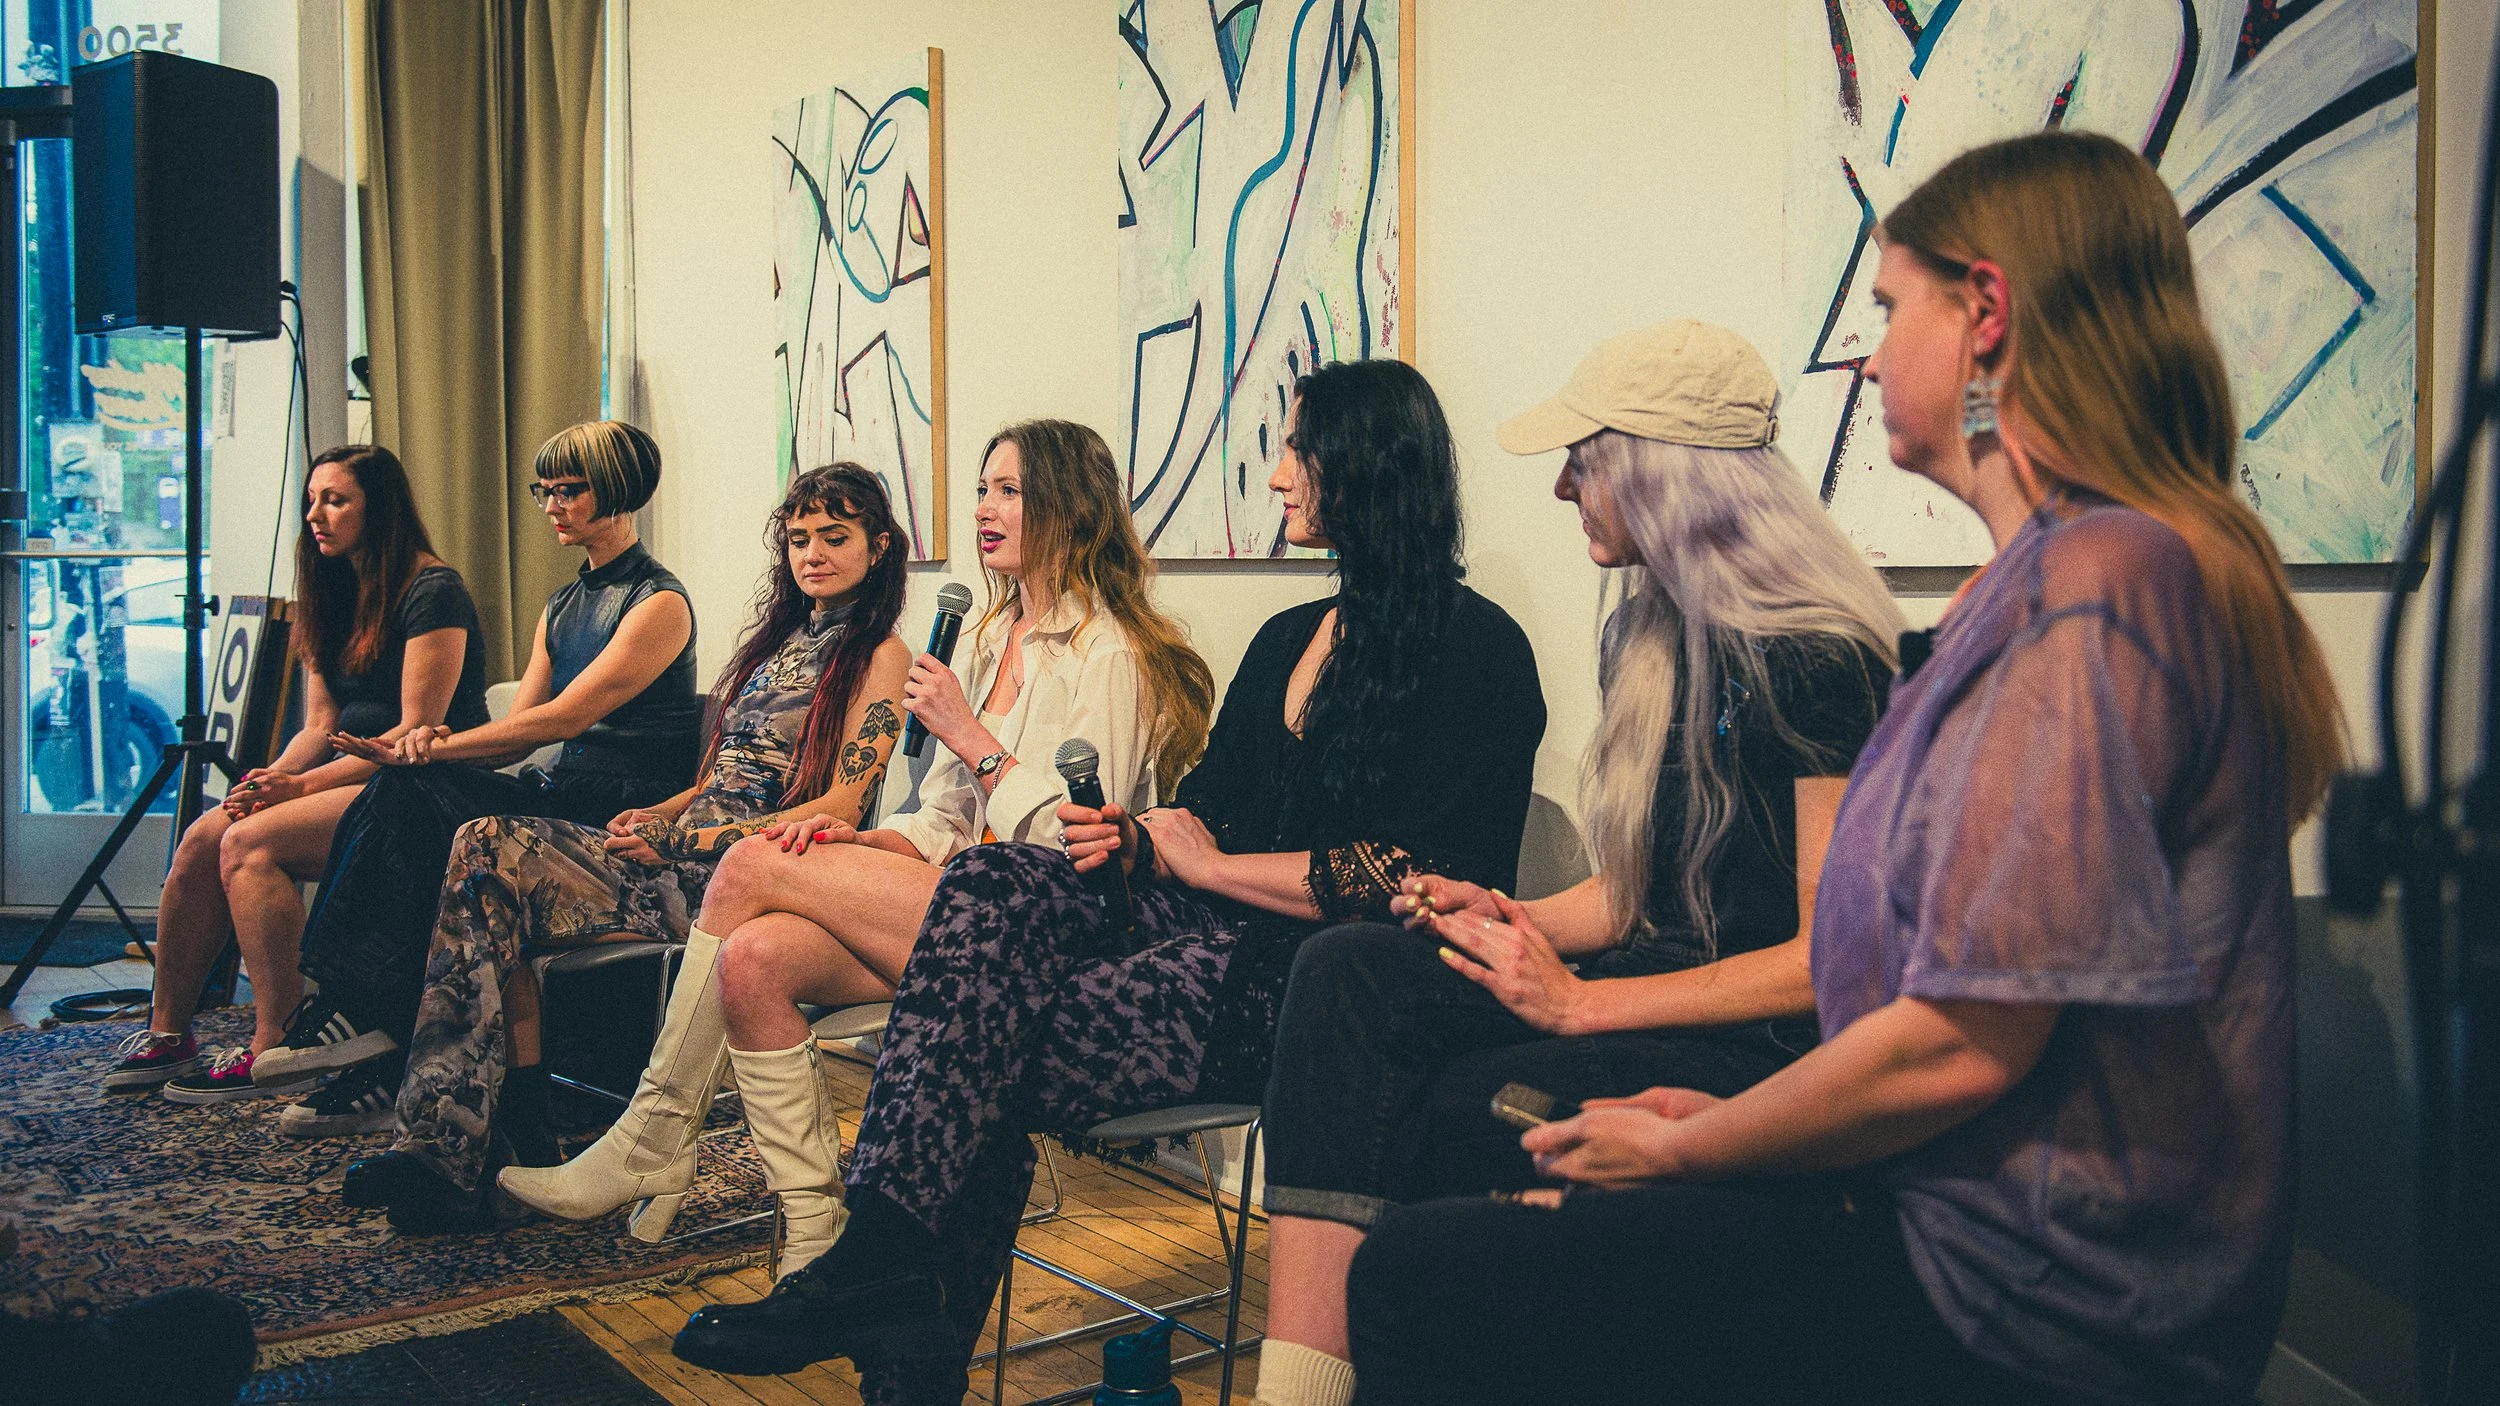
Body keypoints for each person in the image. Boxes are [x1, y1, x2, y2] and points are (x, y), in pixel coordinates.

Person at [1342, 130, 2346, 1405]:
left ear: (1984, 314)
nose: (1866, 352)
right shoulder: (2031, 584)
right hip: (1942, 1210)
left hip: (2031, 1298)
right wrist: (1717, 1125)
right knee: (1460, 1159)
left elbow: (1959, 1042)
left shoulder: (2102, 587)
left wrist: (1696, 1141)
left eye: (1886, 307)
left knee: (1423, 1275)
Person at [667, 359, 1547, 1404]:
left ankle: (894, 1311)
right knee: (996, 883)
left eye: (1295, 450)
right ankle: (888, 1267)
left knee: (978, 1034)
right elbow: (1206, 809)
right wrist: (1134, 835)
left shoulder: (1477, 648)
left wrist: (1208, 860)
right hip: (1192, 926)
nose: (1276, 477)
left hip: (1314, 980)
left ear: (1363, 465)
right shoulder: (1286, 638)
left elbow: (1418, 877)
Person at [1247, 321, 1902, 1406]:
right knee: (1350, 967)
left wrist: (1578, 1008)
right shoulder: (1653, 638)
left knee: (1447, 1108)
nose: (1561, 489)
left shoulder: (1819, 661)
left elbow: (1828, 966)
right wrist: (1512, 915)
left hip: (1754, 1046)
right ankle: (1298, 1389)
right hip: (1640, 992)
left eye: (1583, 462)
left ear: (1660, 471)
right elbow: (1639, 891)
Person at [498, 419, 1215, 1276]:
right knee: (755, 959)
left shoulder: (1112, 651)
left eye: (1009, 491)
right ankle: (814, 1235)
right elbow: (945, 820)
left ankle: (650, 1136)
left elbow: (1079, 841)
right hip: (953, 901)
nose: (984, 508)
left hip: (1052, 926)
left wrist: (968, 732)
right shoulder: (986, 638)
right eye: (983, 487)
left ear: (1070, 505)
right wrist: (863, 835)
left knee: (752, 861)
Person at [337, 463, 914, 1233]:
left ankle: (464, 1143)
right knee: (480, 843)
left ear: (878, 547)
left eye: (835, 538)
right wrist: (659, 813)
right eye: (800, 538)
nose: (812, 554)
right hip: (678, 853)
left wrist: (684, 836)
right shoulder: (776, 644)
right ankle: (458, 1142)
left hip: (751, 882)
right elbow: (717, 778)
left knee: (490, 851)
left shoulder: (880, 655)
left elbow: (840, 806)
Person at [248, 421, 702, 1137]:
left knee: (409, 784)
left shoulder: (659, 602)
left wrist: (425, 750)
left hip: (619, 810)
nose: (552, 504)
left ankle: (370, 1020)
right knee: (400, 790)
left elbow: (558, 721)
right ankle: (360, 1011)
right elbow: (504, 744)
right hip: (560, 795)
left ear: (617, 490)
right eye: (544, 490)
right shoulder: (563, 604)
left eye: (569, 490)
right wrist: (431, 744)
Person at [102, 445, 489, 1102]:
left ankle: (273, 1043)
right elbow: (318, 725)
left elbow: (411, 731)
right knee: (204, 837)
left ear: (380, 509)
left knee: (249, 844)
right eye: (313, 500)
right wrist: (267, 780)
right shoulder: (332, 588)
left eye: (335, 500)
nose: (316, 515)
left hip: (414, 784)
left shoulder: (434, 591)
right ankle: (170, 1033)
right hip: (346, 774)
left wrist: (300, 789)